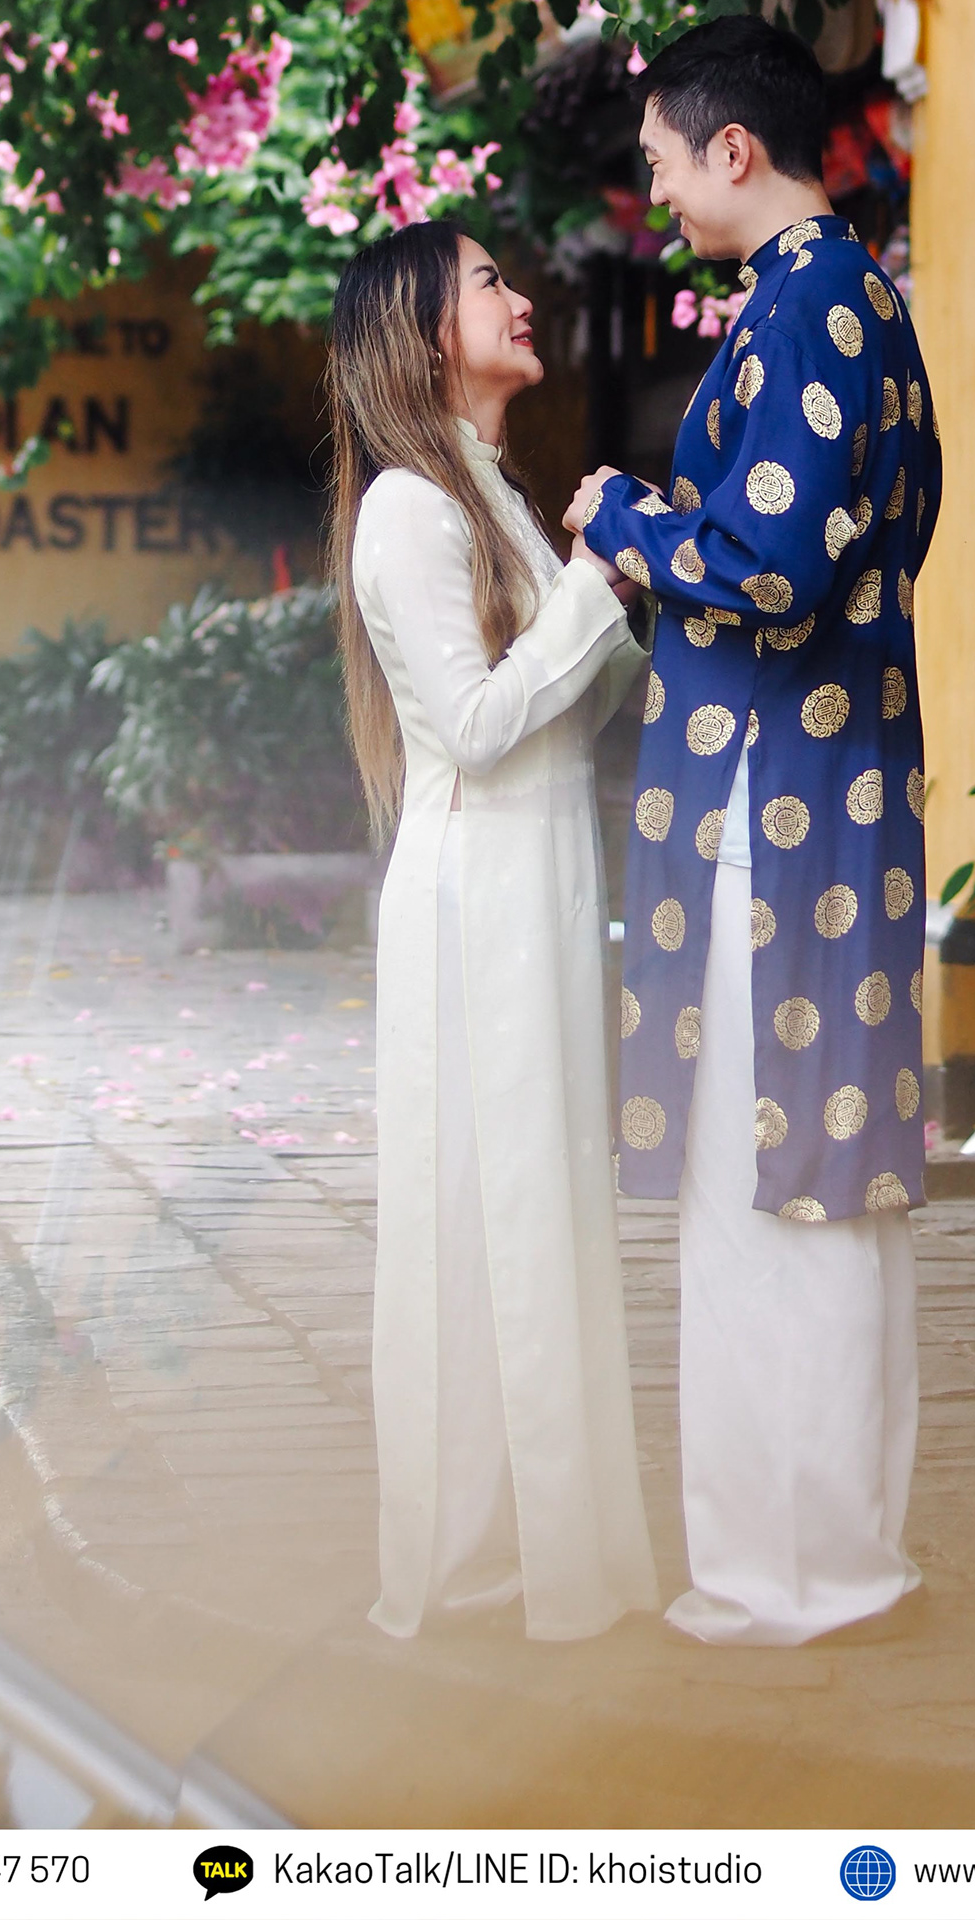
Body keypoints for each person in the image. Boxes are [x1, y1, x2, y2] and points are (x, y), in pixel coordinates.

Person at [565, 14, 941, 1647]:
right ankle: (823, 1561)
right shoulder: (854, 300)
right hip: (825, 800)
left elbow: (770, 568)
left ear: (734, 150)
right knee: (817, 1183)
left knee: (769, 1188)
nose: (653, 189)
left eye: (659, 158)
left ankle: (796, 1578)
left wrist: (626, 517)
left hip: (772, 818)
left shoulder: (804, 307)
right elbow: (863, 538)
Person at [328, 220, 658, 1642]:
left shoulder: (491, 494)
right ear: (419, 329)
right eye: (487, 284)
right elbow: (471, 726)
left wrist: (608, 571)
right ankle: (466, 1563)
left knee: (537, 1216)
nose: (523, 300)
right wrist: (596, 591)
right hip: (479, 902)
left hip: (538, 886)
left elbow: (583, 694)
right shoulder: (410, 505)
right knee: (479, 1222)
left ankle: (541, 1555)